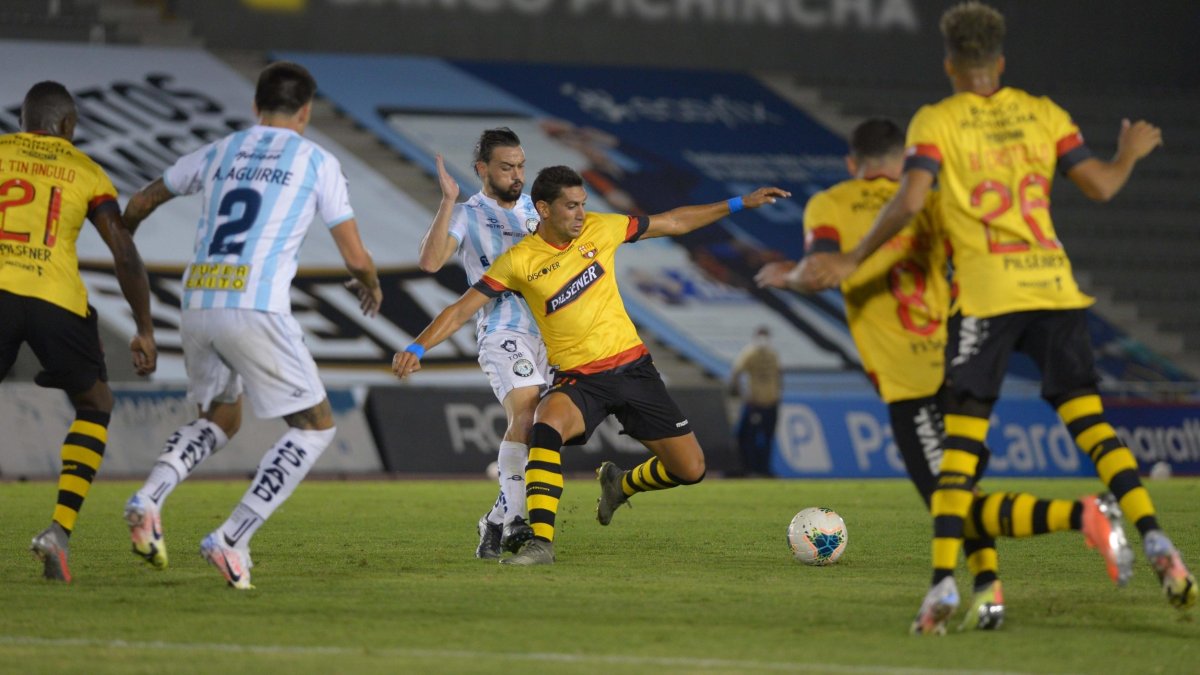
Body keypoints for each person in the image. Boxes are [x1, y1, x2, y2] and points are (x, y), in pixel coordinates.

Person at [800, 3, 1196, 633]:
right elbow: (1100, 186)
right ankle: (1158, 543)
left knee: (961, 445)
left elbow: (910, 198)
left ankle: (943, 591)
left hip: (988, 294)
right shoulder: (1045, 113)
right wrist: (1128, 153)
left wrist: (851, 254)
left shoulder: (937, 120)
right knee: (1093, 425)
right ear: (1001, 62)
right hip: (1056, 287)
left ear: (950, 64)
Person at [757, 117, 1133, 631]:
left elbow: (822, 270)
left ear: (853, 163)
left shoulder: (832, 204)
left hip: (912, 382)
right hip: (958, 365)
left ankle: (1083, 515)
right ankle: (987, 593)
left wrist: (787, 276)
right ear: (903, 158)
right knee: (964, 493)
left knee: (951, 504)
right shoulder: (930, 201)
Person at [394, 165, 789, 565]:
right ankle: (541, 543)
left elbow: (673, 221)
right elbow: (462, 310)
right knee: (544, 427)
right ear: (544, 209)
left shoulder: (603, 228)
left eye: (583, 204)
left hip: (635, 370)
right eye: (571, 206)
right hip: (581, 379)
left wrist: (740, 203)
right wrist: (418, 348)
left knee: (690, 469)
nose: (581, 214)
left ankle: (621, 484)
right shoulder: (520, 261)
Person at [119, 61, 383, 590]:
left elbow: (142, 200)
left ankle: (148, 498)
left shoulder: (220, 150)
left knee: (220, 416)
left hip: (197, 304)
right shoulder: (316, 161)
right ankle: (233, 537)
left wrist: (121, 242)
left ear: (255, 106)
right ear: (306, 112)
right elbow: (353, 256)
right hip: (256, 306)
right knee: (315, 427)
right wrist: (372, 285)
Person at [0, 81, 157, 582]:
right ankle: (58, 531)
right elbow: (123, 251)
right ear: (68, 126)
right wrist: (145, 328)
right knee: (95, 402)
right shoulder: (86, 171)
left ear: (24, 121)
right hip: (55, 299)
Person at [416, 128, 550, 559]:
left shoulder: (538, 209)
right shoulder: (468, 214)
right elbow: (431, 261)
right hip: (502, 330)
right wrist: (447, 201)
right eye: (507, 167)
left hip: (552, 334)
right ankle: (515, 521)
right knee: (526, 407)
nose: (517, 175)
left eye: (521, 166)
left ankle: (493, 519)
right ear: (482, 169)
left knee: (549, 431)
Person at [728, 325, 780, 477]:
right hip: (770, 401)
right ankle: (762, 469)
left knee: (749, 437)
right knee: (765, 438)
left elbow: (736, 371)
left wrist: (737, 391)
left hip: (756, 402)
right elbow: (779, 375)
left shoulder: (749, 352)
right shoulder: (773, 354)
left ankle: (752, 469)